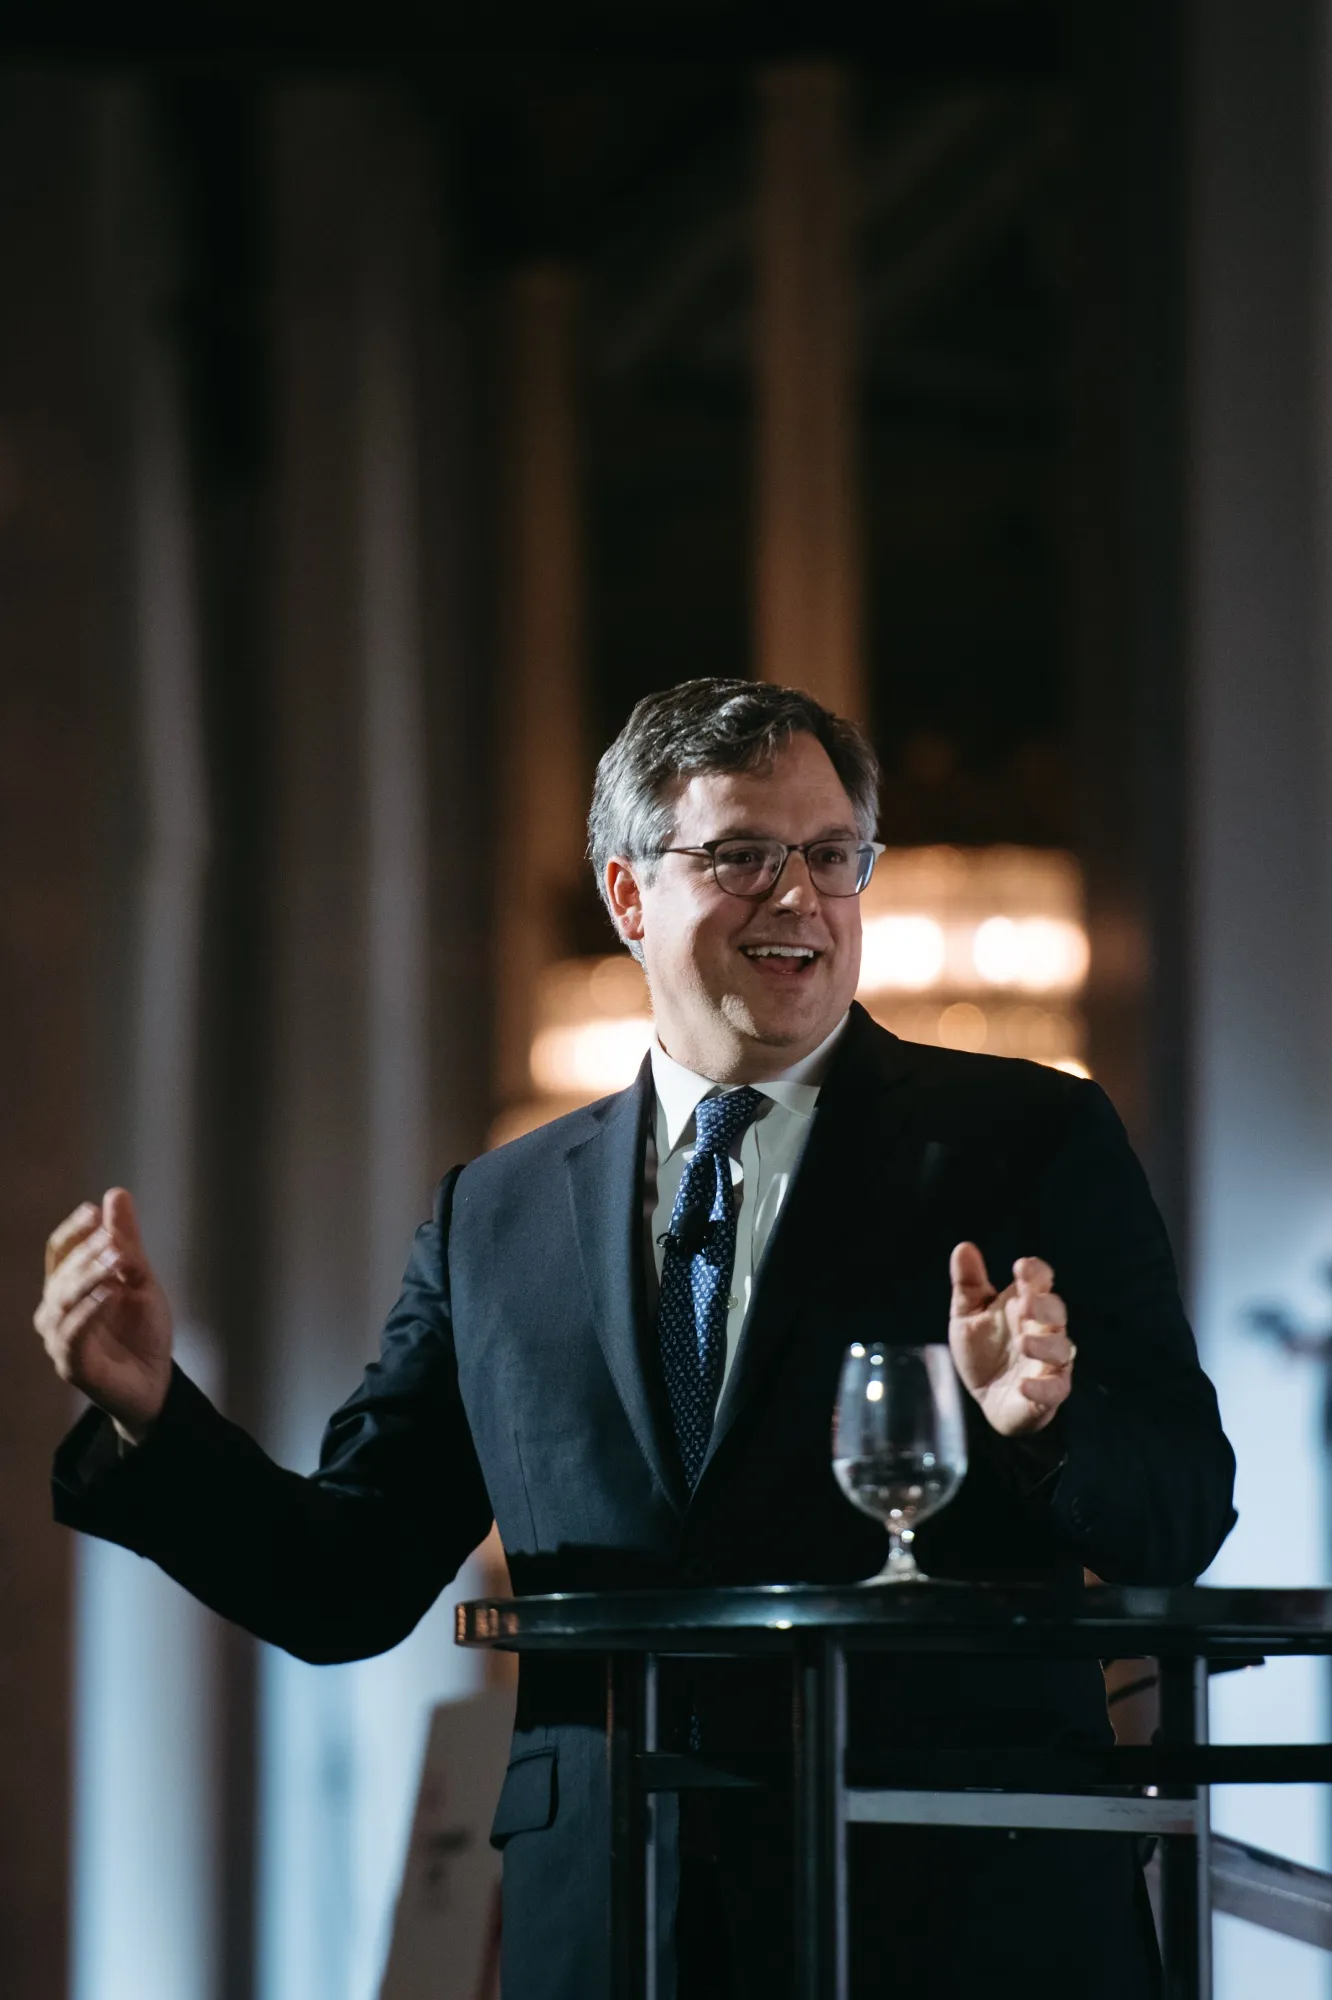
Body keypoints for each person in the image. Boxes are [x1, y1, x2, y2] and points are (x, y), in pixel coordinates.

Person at [37, 678, 1235, 1999]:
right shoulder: (493, 1216)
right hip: (614, 1920)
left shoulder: (1029, 1142)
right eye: (743, 856)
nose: (800, 897)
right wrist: (154, 1414)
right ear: (626, 895)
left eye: (832, 855)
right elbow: (347, 1583)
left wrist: (1045, 1430)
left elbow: (1184, 1511)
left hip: (954, 1914)